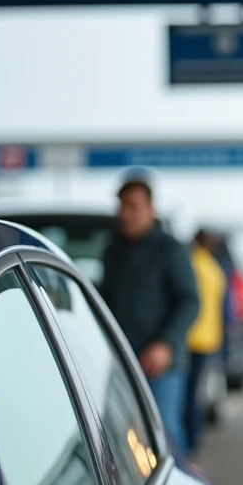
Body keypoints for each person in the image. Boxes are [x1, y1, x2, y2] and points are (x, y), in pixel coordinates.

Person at [100, 179, 199, 453]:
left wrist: (164, 343)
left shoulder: (170, 250)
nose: (126, 214)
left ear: (151, 209)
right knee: (121, 436)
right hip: (121, 361)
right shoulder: (112, 251)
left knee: (164, 434)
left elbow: (190, 301)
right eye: (122, 207)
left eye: (134, 207)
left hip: (161, 364)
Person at [185, 229, 228, 447]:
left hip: (191, 337)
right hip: (210, 337)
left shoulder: (191, 264)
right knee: (199, 391)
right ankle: (196, 437)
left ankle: (190, 440)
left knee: (189, 394)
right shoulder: (214, 268)